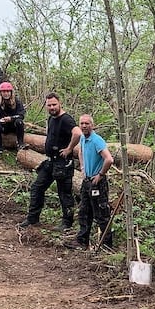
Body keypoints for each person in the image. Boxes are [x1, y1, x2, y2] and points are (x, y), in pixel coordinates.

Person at [18, 93, 81, 231]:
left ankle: (67, 223)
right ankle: (32, 219)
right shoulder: (51, 119)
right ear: (46, 105)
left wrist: (69, 149)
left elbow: (77, 133)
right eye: (49, 105)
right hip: (50, 162)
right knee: (37, 187)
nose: (52, 107)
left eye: (54, 104)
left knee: (64, 193)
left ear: (60, 104)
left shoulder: (66, 119)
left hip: (63, 163)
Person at [70, 115, 114, 250]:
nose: (84, 126)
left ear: (92, 125)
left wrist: (100, 175)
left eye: (87, 123)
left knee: (101, 214)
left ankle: (106, 245)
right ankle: (82, 241)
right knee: (84, 211)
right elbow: (80, 152)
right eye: (82, 123)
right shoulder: (83, 138)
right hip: (87, 181)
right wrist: (83, 168)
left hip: (98, 183)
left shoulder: (97, 140)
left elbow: (109, 159)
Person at [0, 82, 26, 157]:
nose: (6, 94)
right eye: (4, 92)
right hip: (5, 127)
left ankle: (20, 144)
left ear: (11, 92)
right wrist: (0, 120)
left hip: (15, 126)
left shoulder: (17, 102)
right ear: (1, 93)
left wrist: (11, 118)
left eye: (8, 91)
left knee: (19, 122)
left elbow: (21, 115)